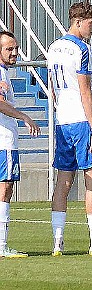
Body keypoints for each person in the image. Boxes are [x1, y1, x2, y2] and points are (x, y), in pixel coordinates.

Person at [46, 2, 92, 256]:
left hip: (62, 121)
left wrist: (58, 113)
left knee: (64, 180)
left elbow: (53, 89)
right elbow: (85, 91)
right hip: (82, 121)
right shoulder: (81, 49)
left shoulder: (53, 47)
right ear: (78, 21)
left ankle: (57, 242)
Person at [0, 32, 41, 257]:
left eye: (15, 48)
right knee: (4, 189)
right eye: (9, 49)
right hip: (3, 140)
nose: (15, 53)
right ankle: (2, 246)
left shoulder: (5, 73)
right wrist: (23, 116)